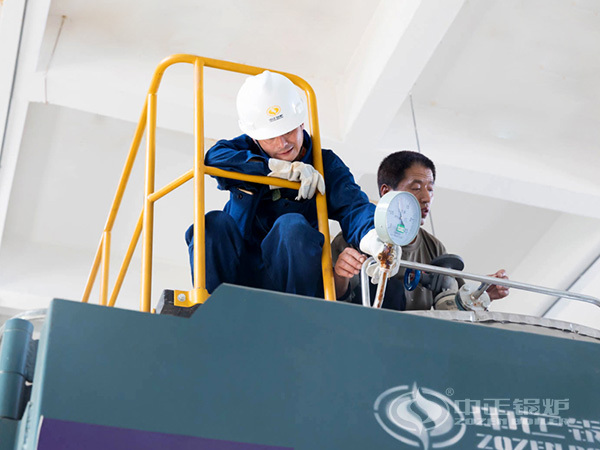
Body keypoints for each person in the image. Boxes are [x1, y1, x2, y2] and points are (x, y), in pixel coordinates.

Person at [186, 70, 396, 298]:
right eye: (270, 137)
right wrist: (274, 169)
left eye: (288, 131)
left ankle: (297, 314)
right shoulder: (243, 150)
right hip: (238, 269)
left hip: (291, 280)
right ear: (255, 137)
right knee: (211, 224)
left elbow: (354, 208)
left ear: (301, 123)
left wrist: (377, 240)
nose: (282, 143)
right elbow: (213, 158)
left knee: (292, 225)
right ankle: (210, 307)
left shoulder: (324, 164)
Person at [332, 150, 509, 310]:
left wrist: (483, 293)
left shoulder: (434, 248)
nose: (426, 198)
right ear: (386, 192)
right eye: (416, 188)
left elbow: (450, 308)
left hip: (416, 338)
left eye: (430, 189)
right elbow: (330, 296)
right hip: (363, 329)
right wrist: (341, 274)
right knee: (390, 289)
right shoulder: (356, 238)